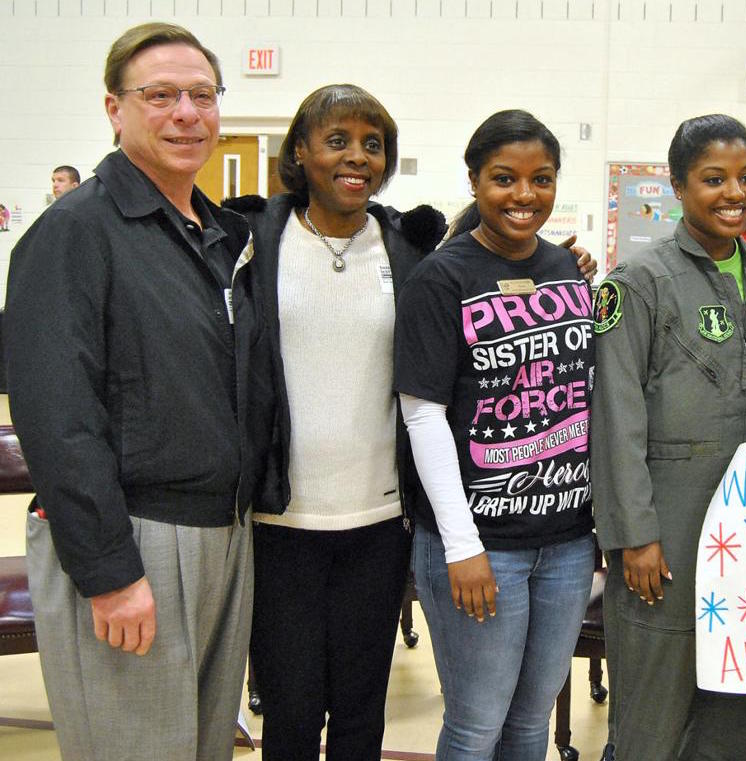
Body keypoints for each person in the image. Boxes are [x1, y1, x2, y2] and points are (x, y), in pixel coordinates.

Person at [3, 22, 274, 761]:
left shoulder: (214, 234)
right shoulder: (76, 232)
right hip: (135, 539)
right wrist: (110, 571)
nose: (186, 112)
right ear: (114, 109)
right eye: (160, 95)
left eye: (201, 95)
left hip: (223, 533)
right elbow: (57, 418)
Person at [221, 84, 446, 760]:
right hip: (279, 523)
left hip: (377, 525)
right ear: (301, 152)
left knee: (359, 710)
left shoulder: (408, 247)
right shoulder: (253, 241)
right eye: (337, 140)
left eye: (372, 144)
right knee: (290, 709)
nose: (356, 157)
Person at [591, 114, 746, 760]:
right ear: (678, 186)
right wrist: (634, 535)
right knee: (650, 718)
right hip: (667, 527)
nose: (733, 193)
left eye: (745, 177)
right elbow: (615, 415)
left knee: (731, 710)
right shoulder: (638, 282)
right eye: (713, 179)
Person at [393, 109, 597, 760]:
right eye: (504, 178)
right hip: (480, 544)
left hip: (564, 542)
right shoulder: (441, 277)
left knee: (531, 720)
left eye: (542, 179)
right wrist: (461, 544)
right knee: (477, 723)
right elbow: (422, 414)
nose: (524, 194)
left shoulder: (566, 267)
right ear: (475, 180)